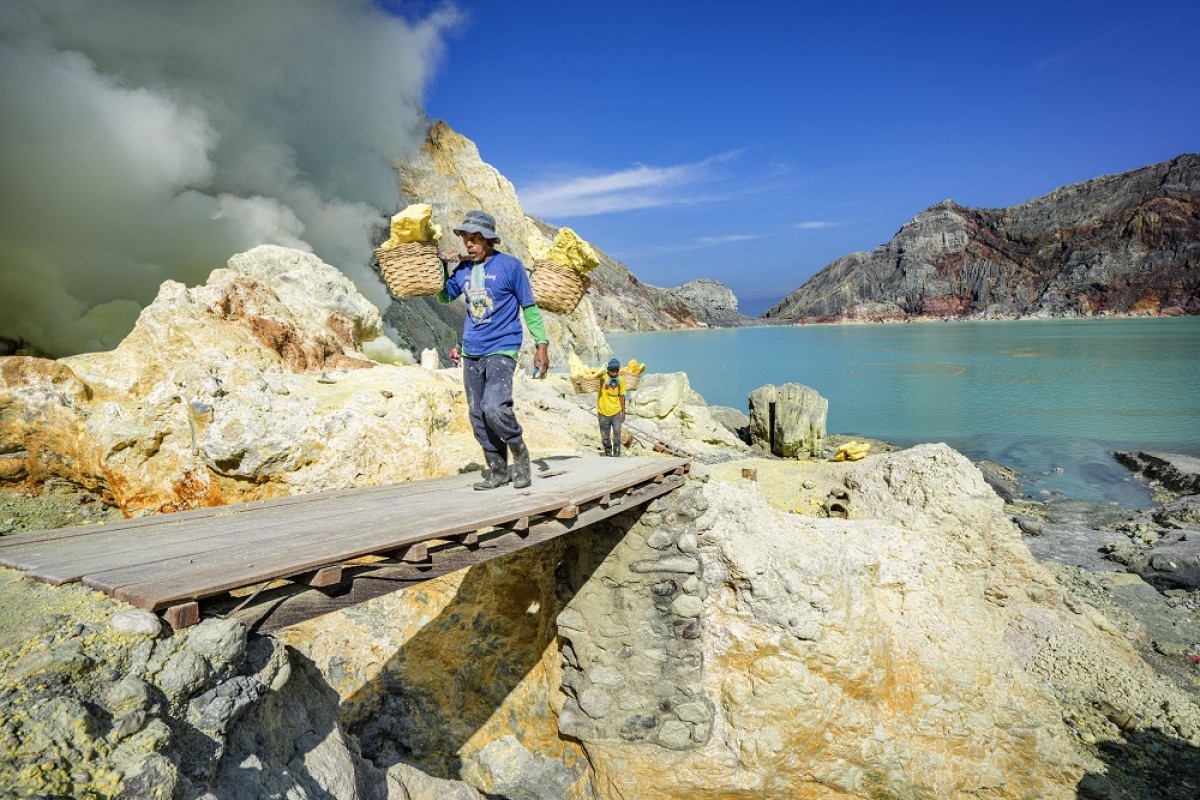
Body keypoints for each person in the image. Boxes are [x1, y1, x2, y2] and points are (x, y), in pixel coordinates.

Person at [439, 210, 549, 490]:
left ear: (489, 240)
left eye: (476, 239)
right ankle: (498, 470)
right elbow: (443, 296)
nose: (470, 244)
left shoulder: (510, 267)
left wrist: (541, 345)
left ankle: (520, 454)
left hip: (503, 346)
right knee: (477, 414)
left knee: (495, 408)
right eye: (467, 238)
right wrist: (442, 267)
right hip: (471, 350)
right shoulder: (463, 269)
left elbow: (530, 307)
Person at [597, 358, 626, 457]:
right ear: (608, 370)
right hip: (603, 412)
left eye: (616, 371)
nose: (614, 373)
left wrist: (623, 411)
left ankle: (616, 454)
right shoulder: (602, 378)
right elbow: (591, 379)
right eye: (612, 370)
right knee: (605, 436)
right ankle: (608, 453)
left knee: (617, 434)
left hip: (616, 412)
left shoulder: (621, 380)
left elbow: (622, 396)